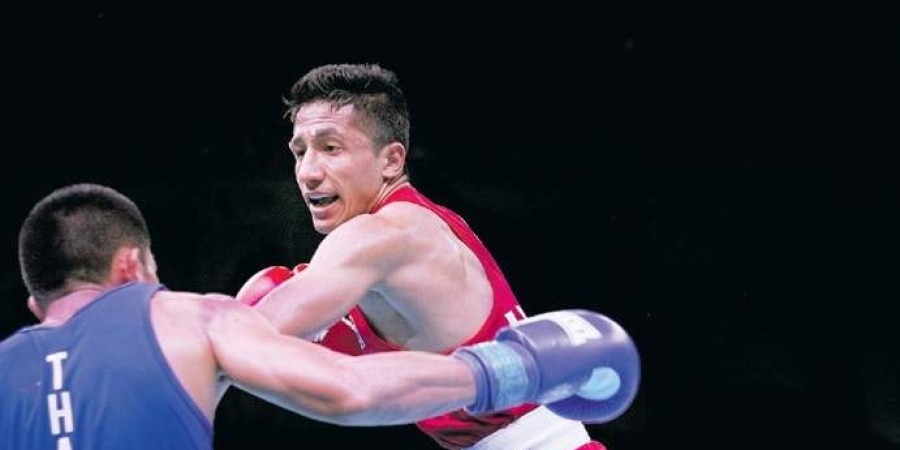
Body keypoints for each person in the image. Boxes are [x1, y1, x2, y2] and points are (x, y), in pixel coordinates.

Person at [0, 182, 639, 450]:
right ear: (132, 266)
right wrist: (512, 368)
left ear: (36, 306)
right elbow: (349, 392)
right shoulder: (184, 319)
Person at [241, 63, 638, 450]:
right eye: (300, 151)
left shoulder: (379, 234)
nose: (308, 172)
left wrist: (209, 327)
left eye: (331, 148)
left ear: (391, 160)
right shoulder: (423, 221)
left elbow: (243, 340)